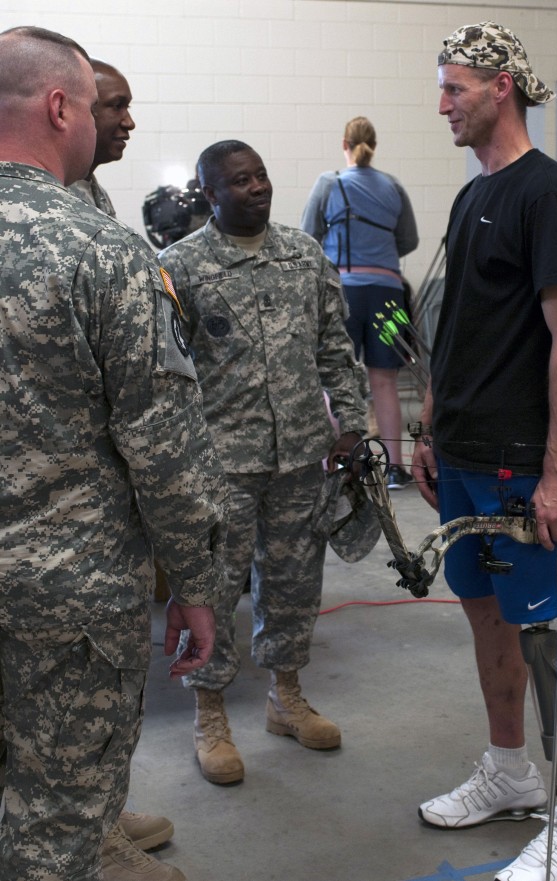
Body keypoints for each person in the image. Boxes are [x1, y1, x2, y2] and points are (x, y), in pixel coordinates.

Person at [0, 26, 228, 881]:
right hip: (68, 604)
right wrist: (198, 588)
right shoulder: (103, 251)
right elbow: (164, 449)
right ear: (61, 108)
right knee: (56, 832)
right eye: (96, 104)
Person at [411, 21, 557, 881]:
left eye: (455, 86)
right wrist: (428, 422)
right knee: (485, 616)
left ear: (503, 87)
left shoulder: (546, 193)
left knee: (538, 631)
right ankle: (508, 771)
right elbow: (457, 325)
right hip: (461, 448)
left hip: (519, 458)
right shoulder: (471, 196)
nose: (443, 101)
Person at [159, 140, 367, 786]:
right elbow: (166, 372)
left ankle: (286, 695)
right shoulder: (180, 267)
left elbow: (336, 343)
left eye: (262, 176)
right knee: (215, 592)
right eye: (240, 181)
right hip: (222, 462)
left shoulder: (303, 256)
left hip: (302, 453)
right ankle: (211, 712)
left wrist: (353, 423)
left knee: (294, 584)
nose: (257, 188)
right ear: (212, 195)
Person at [67, 54, 179, 872]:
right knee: (64, 693)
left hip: (97, 501)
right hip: (60, 504)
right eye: (116, 106)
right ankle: (85, 839)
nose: (128, 121)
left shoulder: (93, 200)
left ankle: (98, 811)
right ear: (63, 107)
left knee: (97, 688)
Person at [301, 116, 419, 489]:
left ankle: (334, 465)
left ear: (344, 144)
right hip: (389, 294)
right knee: (385, 380)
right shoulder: (393, 186)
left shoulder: (329, 182)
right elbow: (409, 240)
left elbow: (308, 235)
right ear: (374, 144)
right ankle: (396, 467)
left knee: (336, 379)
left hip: (344, 292)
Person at [69, 58, 134, 216]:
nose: (130, 123)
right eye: (117, 106)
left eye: (127, 107)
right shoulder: (46, 194)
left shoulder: (96, 193)